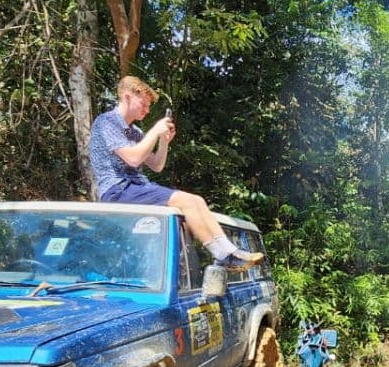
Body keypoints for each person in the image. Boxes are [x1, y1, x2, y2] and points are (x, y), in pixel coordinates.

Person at [89, 76, 262, 270]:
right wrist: (154, 132)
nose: (147, 110)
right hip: (118, 190)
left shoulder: (134, 131)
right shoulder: (106, 122)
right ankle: (222, 255)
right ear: (127, 97)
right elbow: (133, 158)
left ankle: (230, 251)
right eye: (144, 105)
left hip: (136, 187)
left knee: (197, 200)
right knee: (187, 201)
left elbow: (156, 165)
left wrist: (163, 141)